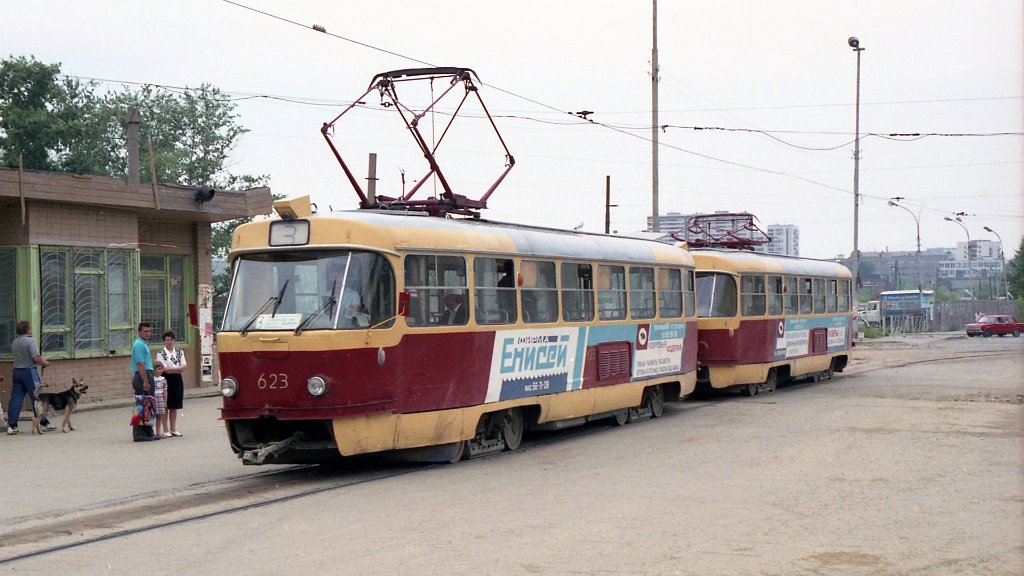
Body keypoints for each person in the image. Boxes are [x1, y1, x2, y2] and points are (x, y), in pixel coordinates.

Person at [6, 320, 54, 435]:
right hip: (29, 372)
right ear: (27, 330)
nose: (31, 330)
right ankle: (44, 422)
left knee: (16, 398)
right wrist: (45, 363)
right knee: (37, 397)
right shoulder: (30, 341)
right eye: (30, 328)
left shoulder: (15, 342)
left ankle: (12, 426)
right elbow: (36, 358)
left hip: (17, 371)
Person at [157, 330, 187, 437]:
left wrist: (174, 369)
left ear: (174, 340)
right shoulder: (161, 353)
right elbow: (164, 369)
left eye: (171, 339)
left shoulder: (180, 352)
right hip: (166, 380)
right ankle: (165, 430)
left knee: (174, 405)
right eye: (167, 340)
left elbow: (184, 366)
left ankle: (173, 428)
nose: (169, 341)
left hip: (177, 380)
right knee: (166, 405)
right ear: (164, 341)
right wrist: (177, 369)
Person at [131, 322, 157, 442]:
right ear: (139, 332)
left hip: (147, 375)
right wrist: (146, 381)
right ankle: (139, 433)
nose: (148, 334)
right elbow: (140, 364)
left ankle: (148, 431)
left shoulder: (144, 343)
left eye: (149, 331)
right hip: (142, 376)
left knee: (148, 405)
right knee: (141, 405)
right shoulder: (139, 345)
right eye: (145, 331)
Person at [152, 361, 169, 438]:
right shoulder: (151, 379)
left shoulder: (163, 380)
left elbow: (165, 391)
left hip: (160, 400)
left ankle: (158, 432)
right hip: (153, 400)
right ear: (154, 370)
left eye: (162, 369)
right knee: (152, 416)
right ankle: (150, 432)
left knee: (159, 416)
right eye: (158, 369)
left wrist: (165, 402)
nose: (160, 371)